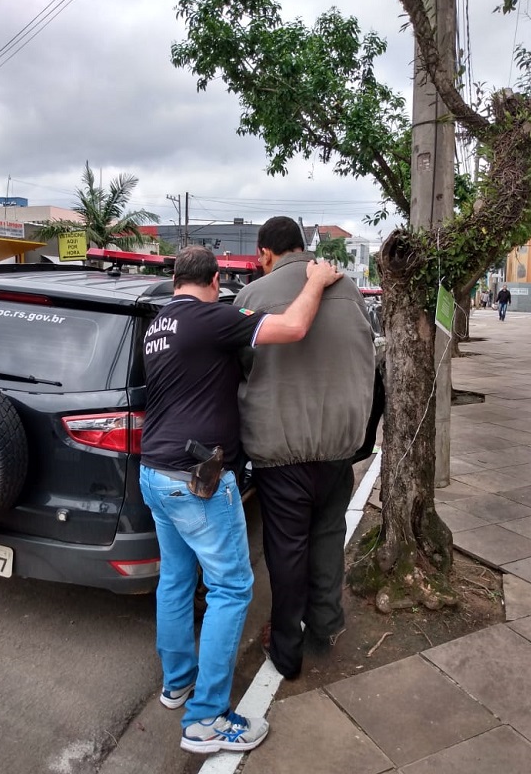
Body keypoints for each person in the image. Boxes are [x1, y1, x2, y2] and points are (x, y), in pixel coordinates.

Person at [139, 245, 342, 755]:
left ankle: (177, 683)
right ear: (212, 282)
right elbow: (292, 328)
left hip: (154, 474)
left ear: (174, 280)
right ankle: (205, 720)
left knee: (177, 579)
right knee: (231, 588)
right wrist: (315, 280)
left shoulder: (159, 325)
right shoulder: (213, 319)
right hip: (197, 480)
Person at [234, 216, 376, 681]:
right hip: (340, 447)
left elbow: (237, 372)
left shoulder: (252, 297)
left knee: (287, 549)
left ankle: (287, 649)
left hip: (280, 452)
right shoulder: (349, 290)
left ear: (266, 254)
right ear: (300, 246)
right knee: (328, 536)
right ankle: (326, 625)